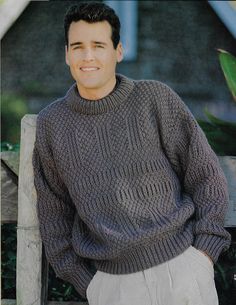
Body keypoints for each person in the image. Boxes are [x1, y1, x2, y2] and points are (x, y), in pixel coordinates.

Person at [32, 2, 231, 305]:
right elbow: (54, 215)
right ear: (66, 54)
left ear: (118, 51)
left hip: (183, 274)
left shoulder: (155, 99)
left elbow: (206, 177)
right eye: (77, 46)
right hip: (113, 288)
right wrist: (92, 287)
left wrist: (202, 256)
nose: (87, 56)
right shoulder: (52, 124)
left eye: (98, 45)